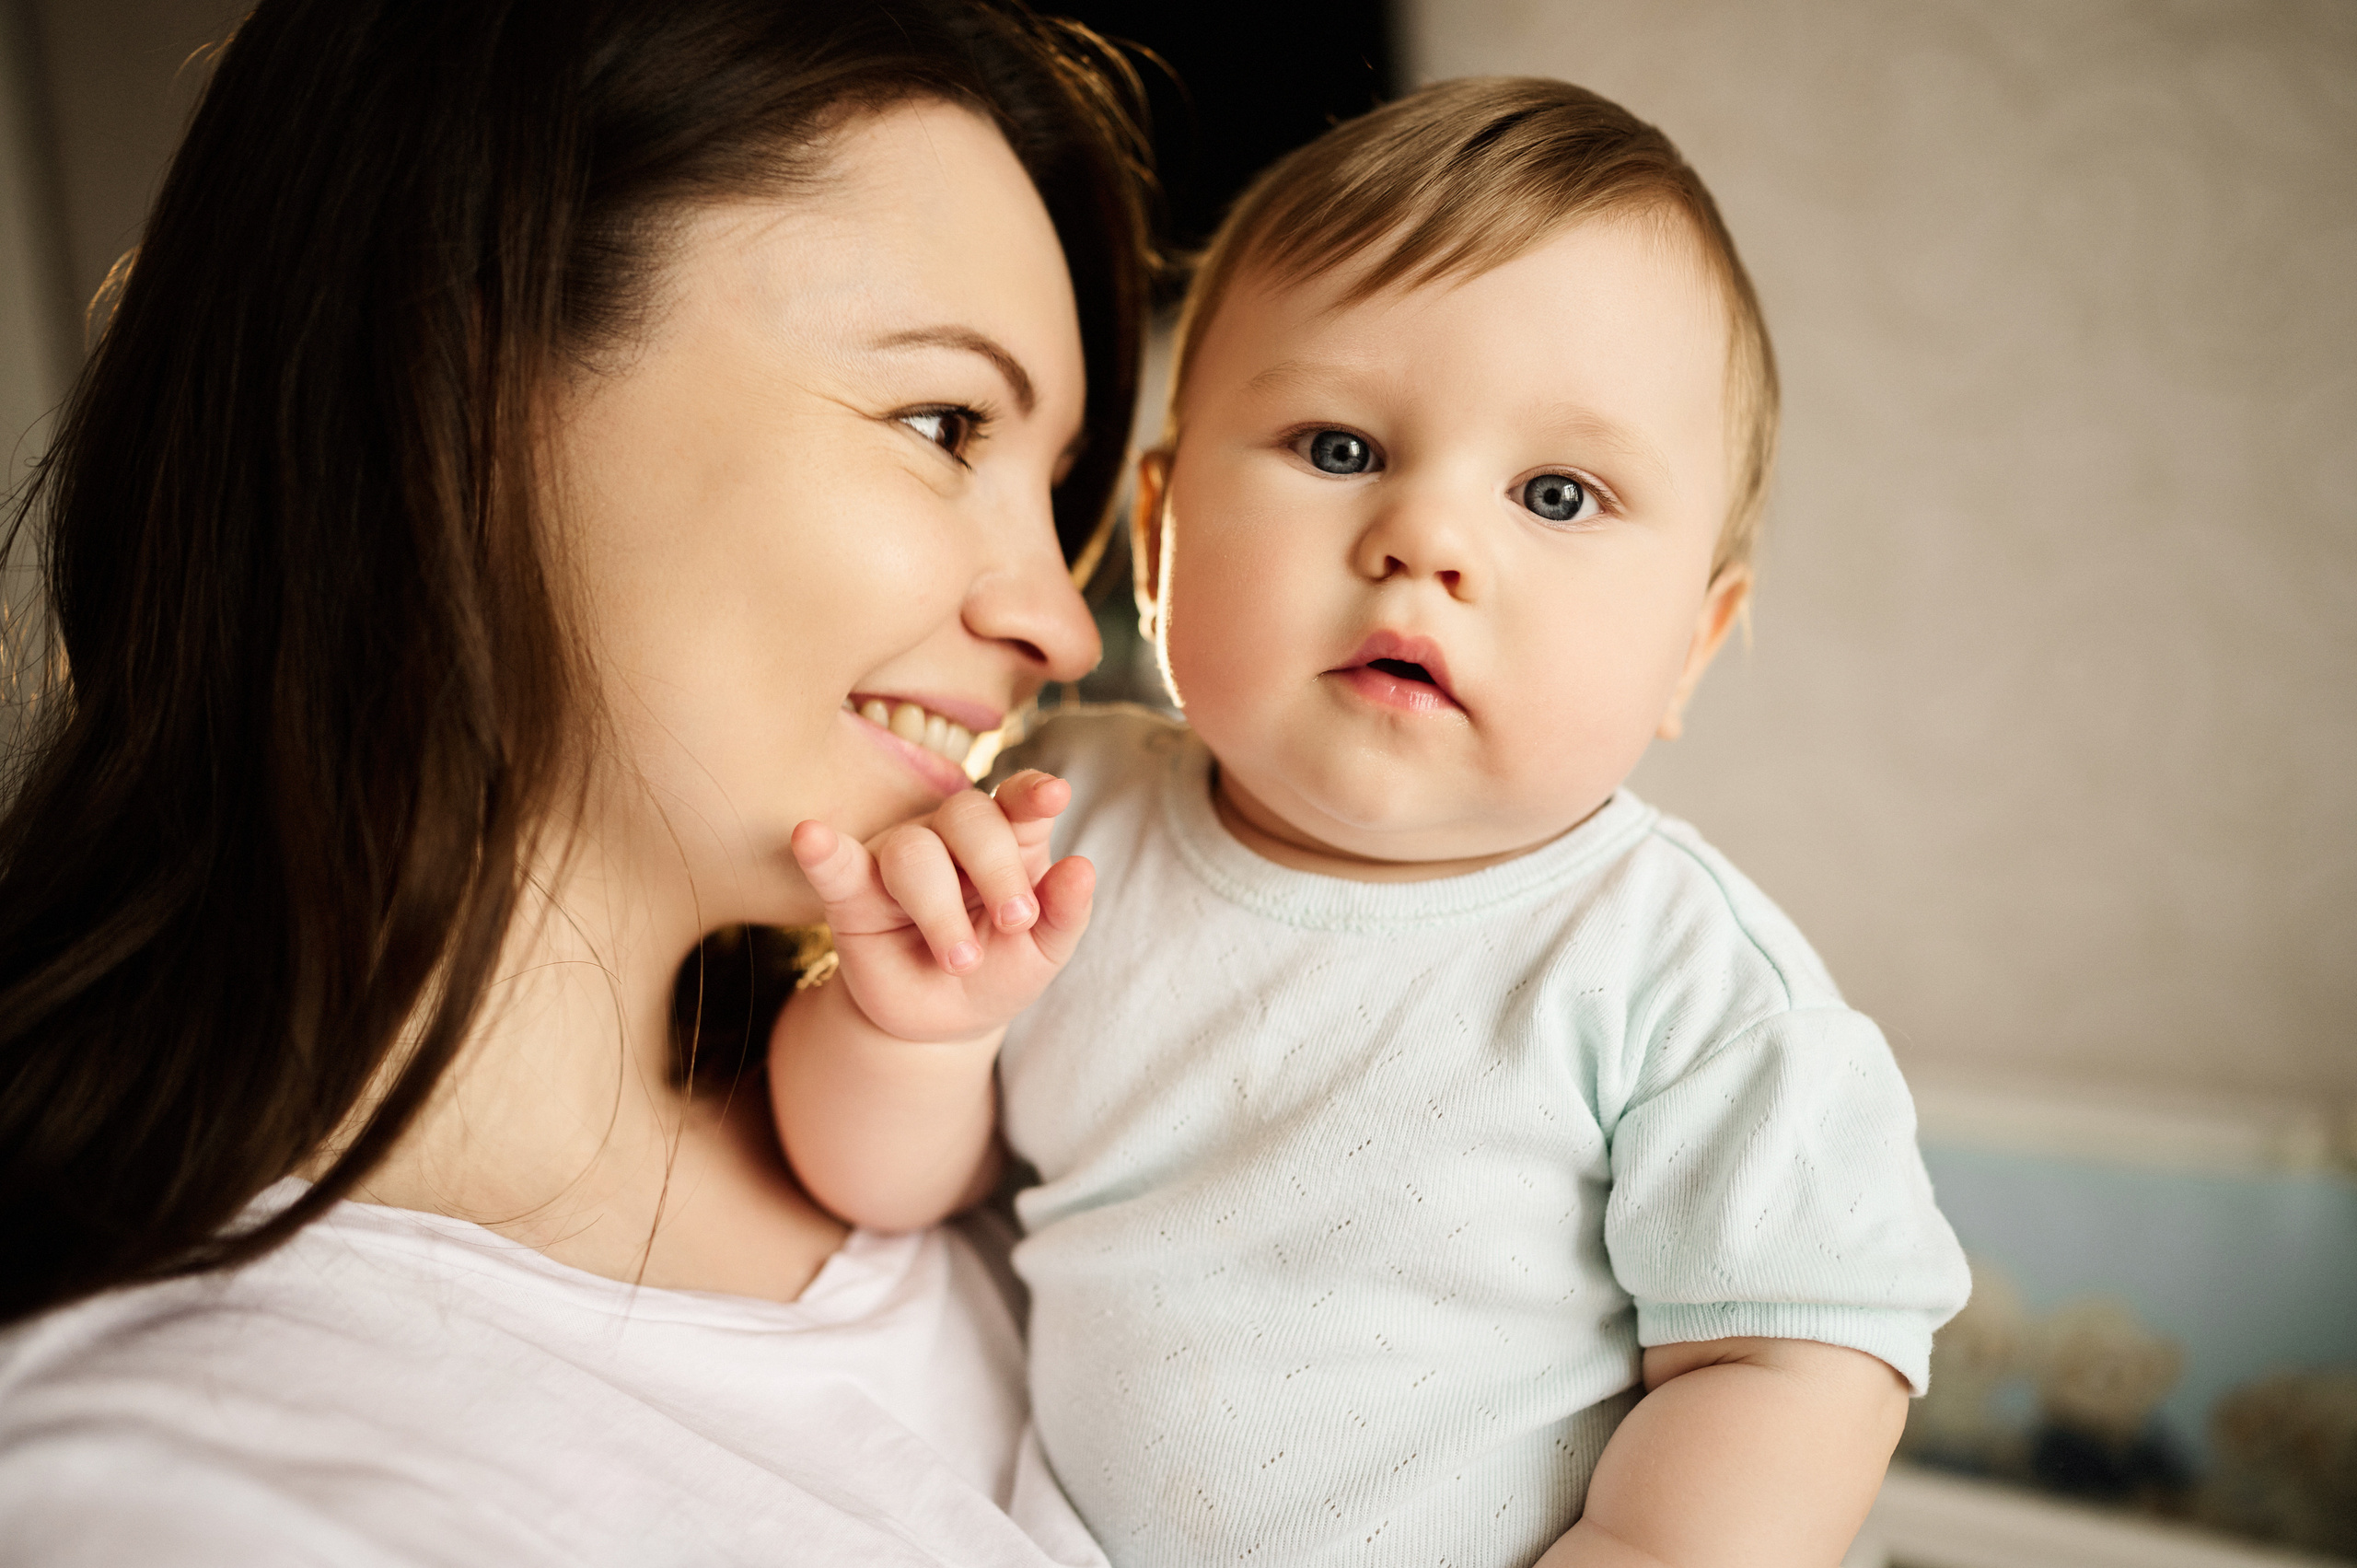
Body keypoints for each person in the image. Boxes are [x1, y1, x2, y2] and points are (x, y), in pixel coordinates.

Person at [0, 1, 1152, 1562]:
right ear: (458, 378)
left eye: (1057, 490)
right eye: (944, 424)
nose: (1059, 625)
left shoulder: (1052, 1162)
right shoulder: (169, 1494)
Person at [770, 77, 1974, 1568]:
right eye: (1340, 449)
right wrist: (913, 1030)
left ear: (1693, 646)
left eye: (1556, 492)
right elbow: (886, 1189)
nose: (1427, 540)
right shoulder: (1062, 818)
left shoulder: (1685, 985)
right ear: (1158, 540)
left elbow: (1799, 1360)